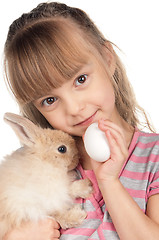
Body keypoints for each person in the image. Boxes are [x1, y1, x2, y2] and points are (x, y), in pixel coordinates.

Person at [3, 2, 159, 240]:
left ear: (107, 59)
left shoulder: (154, 157)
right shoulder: (38, 169)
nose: (75, 108)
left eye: (81, 79)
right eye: (50, 99)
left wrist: (109, 182)